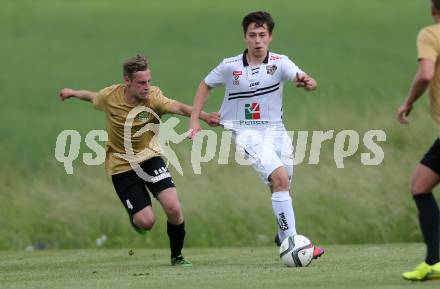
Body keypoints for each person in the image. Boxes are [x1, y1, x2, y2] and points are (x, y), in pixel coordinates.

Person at [59, 54, 219, 267]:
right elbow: (91, 96)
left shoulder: (154, 98)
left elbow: (179, 108)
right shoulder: (110, 97)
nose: (147, 86)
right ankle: (136, 216)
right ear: (128, 81)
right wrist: (72, 93)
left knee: (173, 207)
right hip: (121, 166)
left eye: (149, 81)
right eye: (142, 82)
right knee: (146, 222)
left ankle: (177, 256)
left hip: (150, 158)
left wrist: (205, 116)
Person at [188, 11, 324, 259]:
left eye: (262, 35)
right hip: (246, 132)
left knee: (283, 186)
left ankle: (282, 235)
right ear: (245, 38)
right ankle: (293, 244)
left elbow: (306, 79)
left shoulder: (280, 62)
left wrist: (308, 82)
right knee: (281, 180)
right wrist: (195, 119)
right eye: (252, 35)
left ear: (270, 37)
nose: (257, 40)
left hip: (276, 131)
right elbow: (205, 84)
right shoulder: (230, 66)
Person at [397, 0, 440, 281]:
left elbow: (426, 74)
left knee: (419, 187)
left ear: (433, 9)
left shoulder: (430, 33)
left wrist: (408, 102)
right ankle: (434, 262)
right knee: (420, 183)